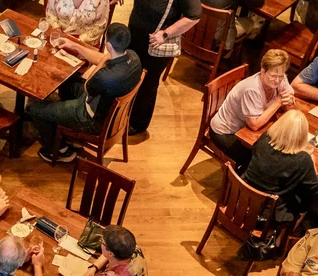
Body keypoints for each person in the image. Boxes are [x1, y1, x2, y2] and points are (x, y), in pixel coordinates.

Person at [28, 24, 143, 163]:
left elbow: (88, 86)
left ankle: (57, 151)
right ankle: (65, 128)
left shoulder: (105, 77)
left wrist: (103, 61)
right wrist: (75, 46)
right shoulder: (134, 58)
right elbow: (101, 57)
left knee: (35, 109)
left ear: (108, 45)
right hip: (107, 109)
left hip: (91, 119)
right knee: (67, 81)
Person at [209, 49, 295, 170]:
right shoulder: (252, 89)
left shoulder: (281, 79)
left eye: (281, 76)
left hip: (245, 129)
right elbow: (254, 125)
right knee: (258, 159)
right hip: (225, 132)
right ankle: (238, 180)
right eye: (273, 76)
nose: (277, 80)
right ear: (262, 71)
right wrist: (279, 101)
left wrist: (289, 101)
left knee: (276, 151)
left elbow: (289, 105)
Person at [125, 0, 200, 135]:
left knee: (148, 83)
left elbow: (194, 16)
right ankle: (123, 114)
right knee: (130, 76)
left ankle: (137, 124)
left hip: (155, 45)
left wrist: (166, 34)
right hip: (135, 36)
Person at [242, 110, 318, 223]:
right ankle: (286, 233)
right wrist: (312, 164)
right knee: (305, 203)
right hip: (267, 214)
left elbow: (253, 154)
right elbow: (315, 188)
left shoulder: (264, 139)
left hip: (242, 197)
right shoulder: (303, 159)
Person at [45, 0, 112, 45]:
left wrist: (77, 42)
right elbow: (50, 12)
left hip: (84, 44)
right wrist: (57, 30)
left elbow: (99, 27)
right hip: (57, 37)